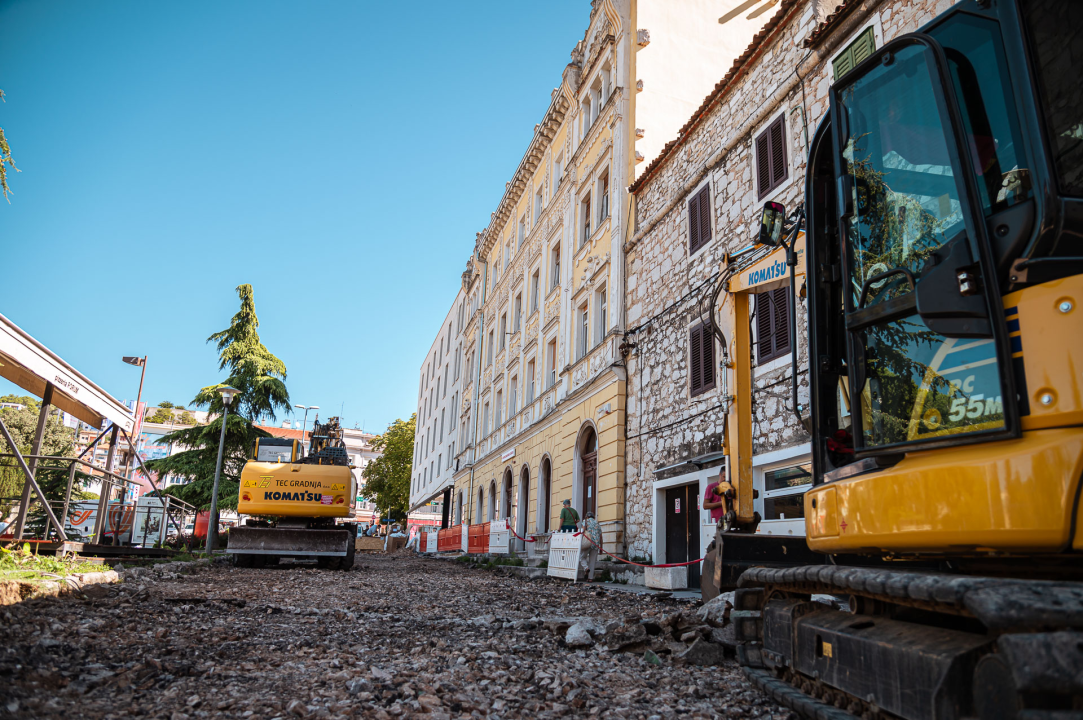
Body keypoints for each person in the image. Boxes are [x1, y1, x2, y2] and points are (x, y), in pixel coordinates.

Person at [579, 511, 602, 581]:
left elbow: (582, 531)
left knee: (581, 557)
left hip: (587, 543)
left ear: (587, 516)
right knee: (592, 562)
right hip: (596, 544)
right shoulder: (597, 524)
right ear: (593, 517)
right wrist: (601, 547)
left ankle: (586, 568)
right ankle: (590, 578)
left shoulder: (585, 522)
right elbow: (601, 536)